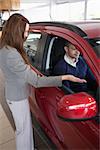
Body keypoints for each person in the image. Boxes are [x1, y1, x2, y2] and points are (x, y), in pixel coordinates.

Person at [0, 14, 86, 150]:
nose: (27, 35)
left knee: (24, 128)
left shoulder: (6, 48)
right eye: (26, 31)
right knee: (23, 130)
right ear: (16, 31)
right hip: (17, 97)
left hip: (14, 93)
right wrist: (65, 77)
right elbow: (36, 81)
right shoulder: (12, 54)